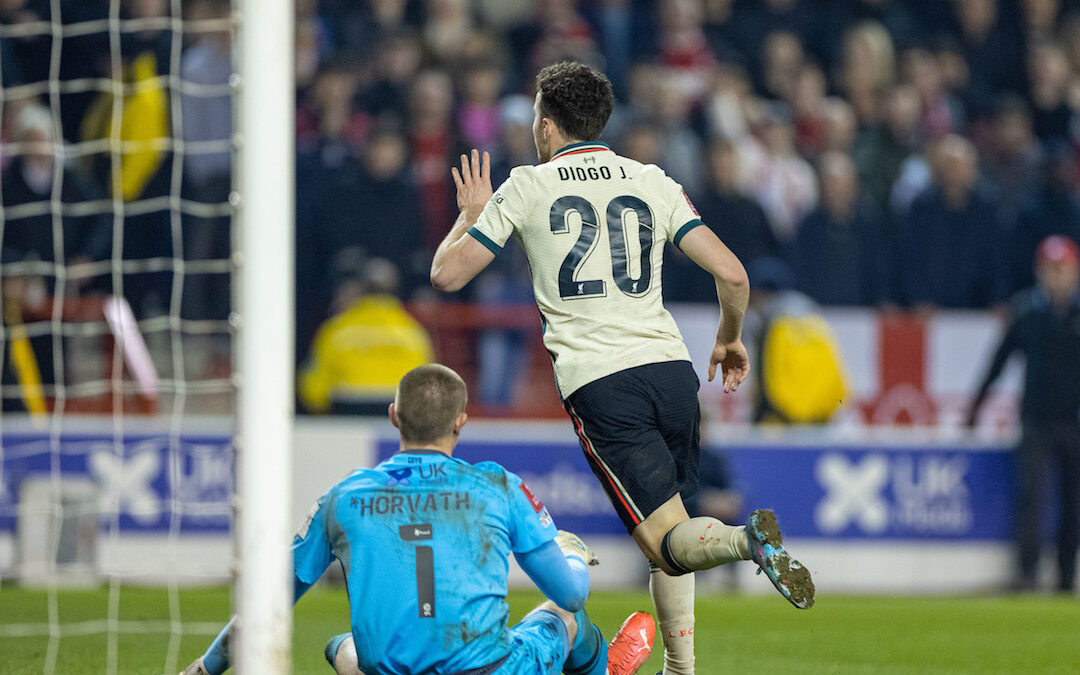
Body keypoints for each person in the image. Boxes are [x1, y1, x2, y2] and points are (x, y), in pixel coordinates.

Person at [430, 61, 814, 675]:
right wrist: (731, 337)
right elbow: (734, 273)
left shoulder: (527, 184)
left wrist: (470, 213)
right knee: (678, 530)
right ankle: (681, 668)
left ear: (548, 125)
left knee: (666, 540)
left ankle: (748, 542)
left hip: (603, 380)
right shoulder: (652, 179)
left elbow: (447, 275)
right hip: (672, 371)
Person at [182, 364, 655, 675]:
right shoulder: (496, 486)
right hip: (486, 671)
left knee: (342, 650)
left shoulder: (345, 496)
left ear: (394, 417)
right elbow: (571, 591)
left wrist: (205, 668)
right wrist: (570, 556)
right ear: (461, 422)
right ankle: (607, 671)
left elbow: (268, 602)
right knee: (565, 616)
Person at [967, 236, 1080, 594]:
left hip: (1074, 422)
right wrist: (976, 406)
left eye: (1062, 270)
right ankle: (1027, 574)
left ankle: (1065, 577)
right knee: (1032, 496)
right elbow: (998, 361)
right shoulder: (1028, 312)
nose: (1056, 277)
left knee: (1073, 503)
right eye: (1050, 269)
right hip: (1036, 420)